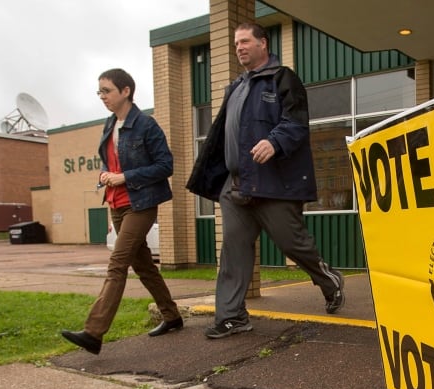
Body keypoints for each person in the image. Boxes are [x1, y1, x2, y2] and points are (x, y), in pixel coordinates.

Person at [186, 23, 345, 339]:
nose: (239, 47)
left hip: (274, 184)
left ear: (263, 43)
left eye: (245, 41)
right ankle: (232, 317)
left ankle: (330, 281)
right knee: (234, 251)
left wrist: (274, 141)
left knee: (293, 243)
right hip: (236, 185)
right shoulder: (236, 87)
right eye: (235, 44)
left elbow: (297, 122)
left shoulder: (283, 78)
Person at [61, 68, 183, 355]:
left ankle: (93, 332)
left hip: (140, 204)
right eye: (99, 92)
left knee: (117, 264)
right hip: (115, 203)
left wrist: (125, 177)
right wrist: (105, 174)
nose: (102, 96)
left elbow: (166, 165)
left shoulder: (146, 125)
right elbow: (109, 162)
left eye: (107, 90)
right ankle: (172, 316)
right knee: (143, 265)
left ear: (125, 91)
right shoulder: (109, 124)